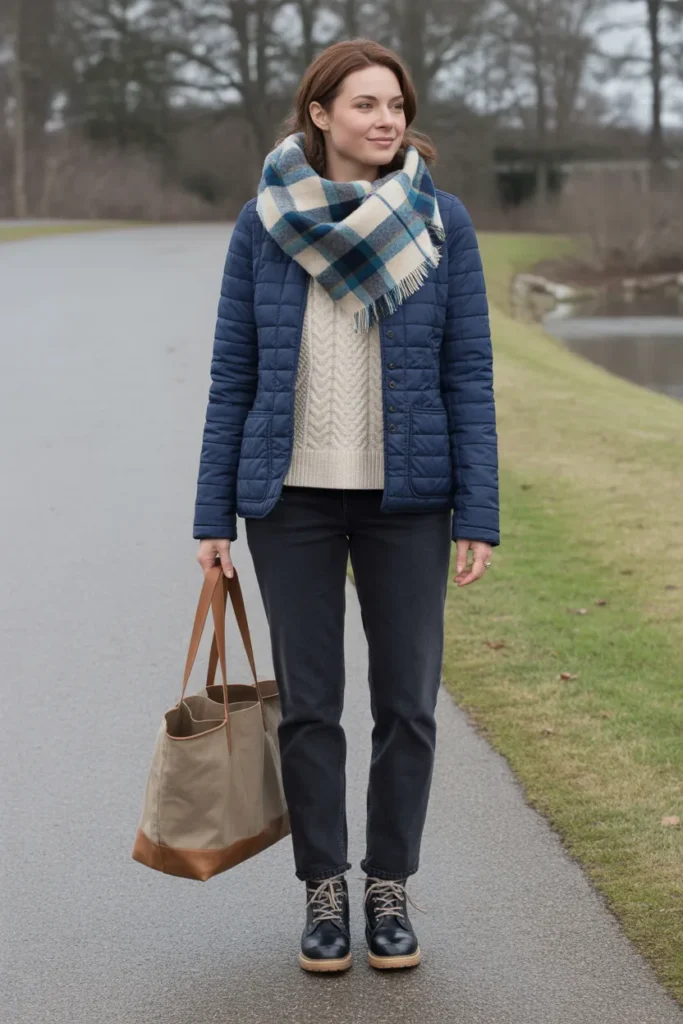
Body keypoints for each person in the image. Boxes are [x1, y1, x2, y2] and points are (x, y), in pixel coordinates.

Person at [193, 38, 500, 974]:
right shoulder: (262, 223)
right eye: (365, 104)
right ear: (319, 115)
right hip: (288, 500)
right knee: (310, 709)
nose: (386, 119)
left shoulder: (439, 222)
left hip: (408, 500)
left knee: (407, 703)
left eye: (396, 104)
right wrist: (212, 517)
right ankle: (324, 890)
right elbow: (233, 376)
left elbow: (467, 377)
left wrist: (478, 512)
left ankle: (389, 887)